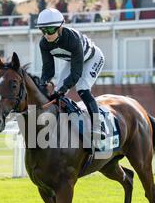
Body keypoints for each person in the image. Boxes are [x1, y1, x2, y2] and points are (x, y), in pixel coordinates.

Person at [36, 8, 106, 146]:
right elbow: (48, 70)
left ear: (61, 26)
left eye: (50, 30)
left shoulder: (72, 39)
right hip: (72, 61)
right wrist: (42, 84)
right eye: (43, 30)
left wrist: (62, 89)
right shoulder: (43, 43)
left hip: (92, 58)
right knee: (57, 92)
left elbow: (76, 74)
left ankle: (99, 126)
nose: (47, 35)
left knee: (82, 88)